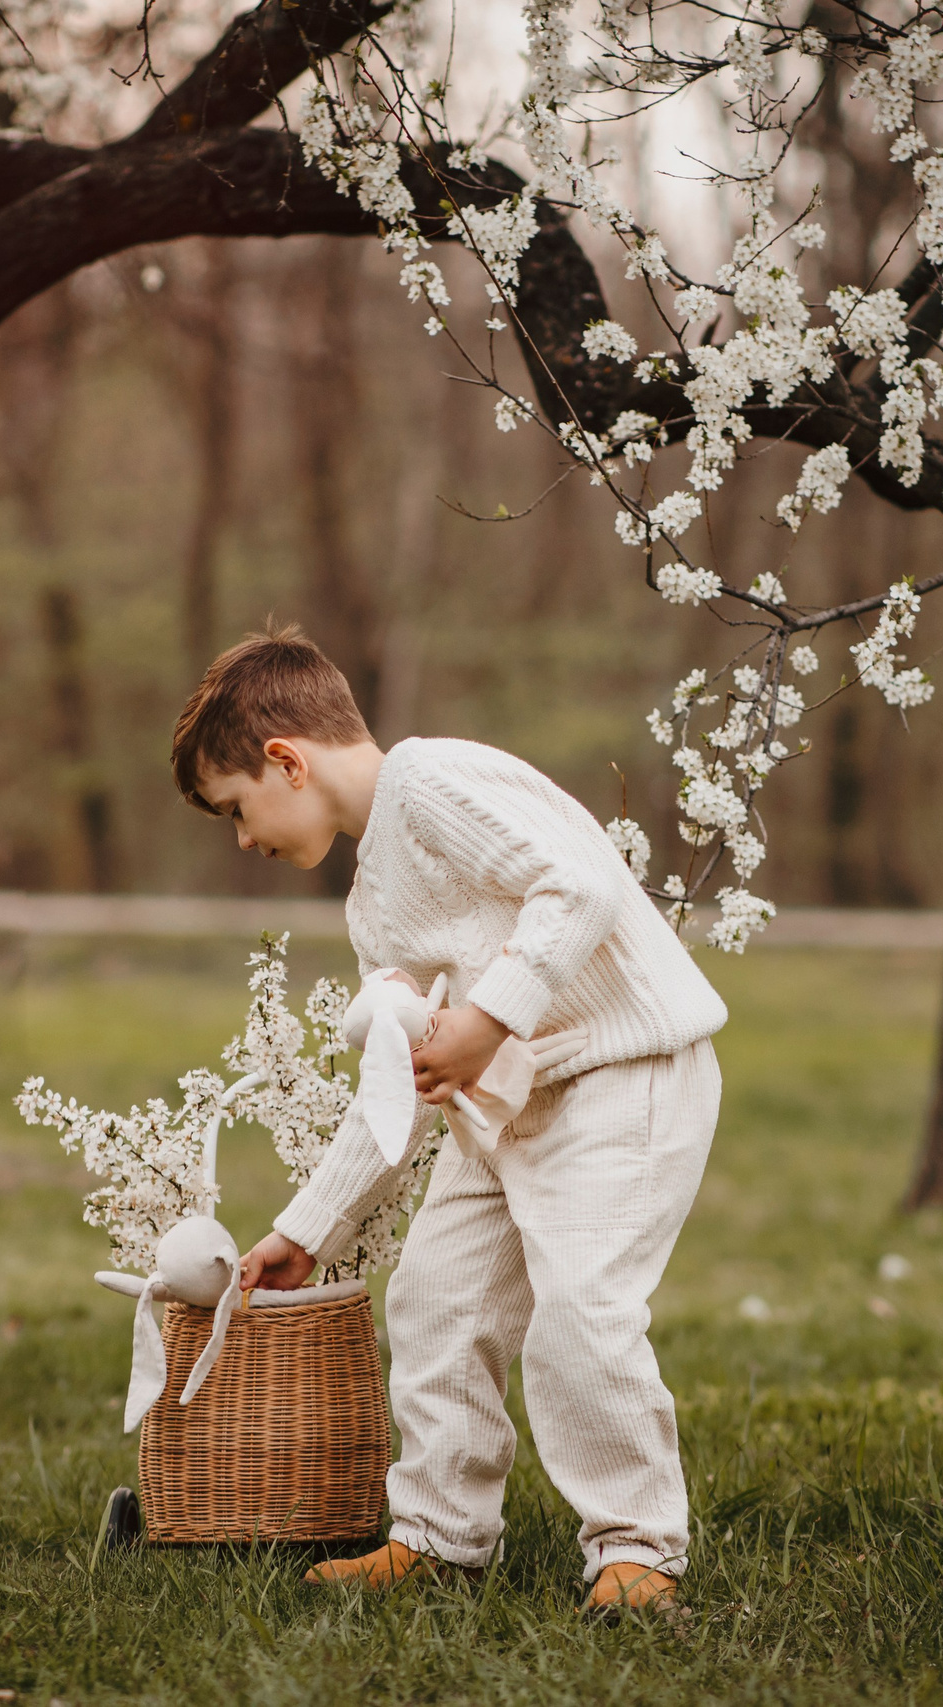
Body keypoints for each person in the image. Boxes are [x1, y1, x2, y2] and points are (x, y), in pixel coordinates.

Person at [172, 626, 727, 1617]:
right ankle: (437, 1537)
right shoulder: (371, 910)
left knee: (581, 1314)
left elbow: (583, 884)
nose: (244, 838)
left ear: (284, 762)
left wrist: (487, 1014)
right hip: (502, 1112)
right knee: (433, 1302)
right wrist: (310, 1229)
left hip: (620, 1075)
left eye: (235, 810)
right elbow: (397, 1088)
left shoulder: (431, 781)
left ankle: (635, 1551)